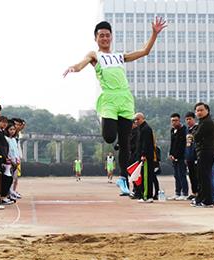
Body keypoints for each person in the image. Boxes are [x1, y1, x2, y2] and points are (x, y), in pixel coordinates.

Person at [63, 17, 167, 196]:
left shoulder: (120, 56)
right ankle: (109, 128)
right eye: (101, 35)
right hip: (109, 99)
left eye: (107, 35)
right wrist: (74, 68)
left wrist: (154, 34)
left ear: (111, 37)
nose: (104, 38)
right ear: (96, 38)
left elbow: (144, 52)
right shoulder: (95, 55)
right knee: (110, 137)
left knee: (125, 142)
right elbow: (82, 64)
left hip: (125, 99)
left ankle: (123, 178)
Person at [190, 102, 214, 208]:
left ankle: (207, 201)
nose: (199, 112)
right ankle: (200, 199)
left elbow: (196, 136)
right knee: (202, 177)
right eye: (197, 111)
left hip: (206, 152)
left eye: (201, 110)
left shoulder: (207, 122)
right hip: (204, 152)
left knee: (204, 177)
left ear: (207, 110)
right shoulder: (203, 122)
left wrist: (193, 134)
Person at [134, 112, 155, 203]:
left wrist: (143, 154)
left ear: (143, 118)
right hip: (141, 156)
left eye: (138, 119)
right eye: (135, 119)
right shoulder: (140, 129)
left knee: (146, 176)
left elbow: (146, 144)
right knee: (143, 176)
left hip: (145, 157)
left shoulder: (146, 129)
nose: (136, 121)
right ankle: (144, 194)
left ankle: (147, 196)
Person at [168, 113, 188, 200]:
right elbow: (172, 144)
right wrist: (171, 154)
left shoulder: (184, 130)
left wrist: (183, 156)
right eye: (172, 121)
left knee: (182, 174)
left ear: (179, 120)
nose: (174, 123)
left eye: (176, 120)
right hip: (174, 157)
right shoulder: (172, 130)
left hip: (182, 157)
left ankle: (185, 193)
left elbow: (183, 145)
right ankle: (177, 192)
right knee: (176, 175)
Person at [184, 112, 198, 199]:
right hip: (189, 156)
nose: (188, 121)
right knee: (191, 175)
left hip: (196, 156)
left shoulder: (197, 128)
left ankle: (199, 192)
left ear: (194, 119)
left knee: (197, 176)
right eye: (187, 119)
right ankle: (194, 192)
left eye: (190, 119)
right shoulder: (187, 130)